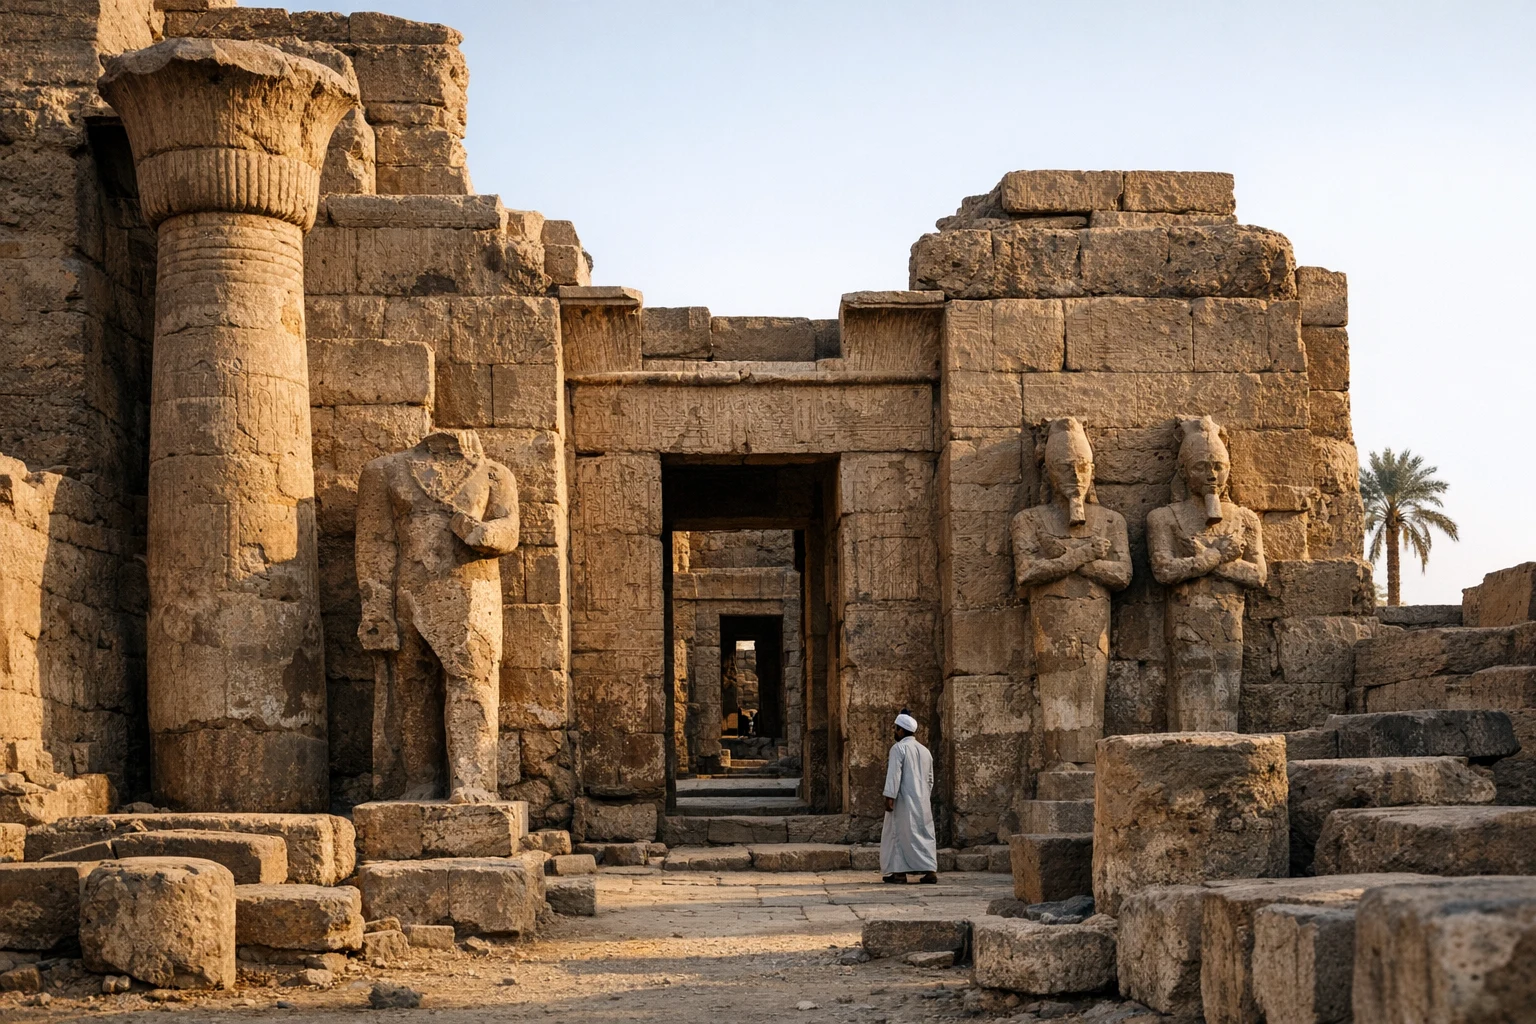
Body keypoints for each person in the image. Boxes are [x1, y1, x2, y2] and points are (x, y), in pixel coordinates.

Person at [880, 710, 938, 884]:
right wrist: (924, 795)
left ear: (901, 730)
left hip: (903, 800)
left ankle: (899, 873)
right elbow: (930, 779)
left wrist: (889, 797)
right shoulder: (925, 751)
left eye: (895, 728)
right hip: (922, 800)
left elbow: (894, 775)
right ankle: (930, 871)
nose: (894, 731)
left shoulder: (898, 749)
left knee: (900, 834)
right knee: (923, 835)